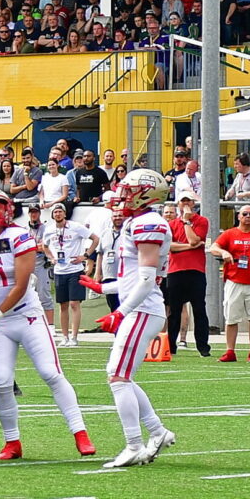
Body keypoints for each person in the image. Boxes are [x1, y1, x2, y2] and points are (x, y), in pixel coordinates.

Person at [0, 188, 95, 462]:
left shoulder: (18, 236)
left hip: (26, 316)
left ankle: (80, 432)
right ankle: (12, 442)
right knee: (2, 382)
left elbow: (21, 283)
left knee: (50, 373)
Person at [92, 168, 178, 468]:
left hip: (142, 309)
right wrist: (103, 287)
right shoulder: (138, 221)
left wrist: (120, 311)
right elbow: (134, 278)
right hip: (142, 307)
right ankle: (157, 432)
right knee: (120, 376)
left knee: (118, 377)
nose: (122, 196)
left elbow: (146, 279)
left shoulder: (148, 223)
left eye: (128, 191)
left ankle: (134, 444)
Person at [208, 203, 250, 362]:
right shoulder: (229, 234)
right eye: (245, 214)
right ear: (238, 216)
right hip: (234, 280)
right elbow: (213, 248)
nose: (248, 217)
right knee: (231, 318)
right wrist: (224, 252)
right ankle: (230, 351)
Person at [162, 197, 212, 357]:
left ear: (193, 204)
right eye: (182, 202)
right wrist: (190, 247)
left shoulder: (202, 221)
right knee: (174, 310)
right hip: (175, 271)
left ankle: (203, 347)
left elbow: (194, 239)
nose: (185, 204)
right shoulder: (171, 224)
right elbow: (170, 246)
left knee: (199, 309)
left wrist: (186, 222)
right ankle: (171, 346)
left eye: (188, 201)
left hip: (196, 270)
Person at [40, 202, 93, 346]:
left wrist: (85, 256)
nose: (57, 214)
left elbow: (95, 238)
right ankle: (64, 337)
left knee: (74, 303)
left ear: (64, 213)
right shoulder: (50, 230)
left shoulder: (75, 227)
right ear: (52, 215)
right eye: (55, 212)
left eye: (60, 211)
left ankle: (74, 337)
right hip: (59, 270)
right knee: (63, 305)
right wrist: (51, 257)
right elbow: (44, 246)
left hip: (74, 270)